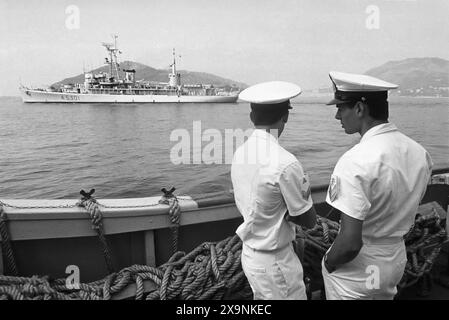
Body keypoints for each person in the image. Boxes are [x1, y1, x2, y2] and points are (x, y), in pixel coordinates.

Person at [321, 71, 433, 300]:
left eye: (341, 108)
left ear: (360, 109)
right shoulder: (419, 153)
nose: (337, 116)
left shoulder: (355, 160)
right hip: (395, 259)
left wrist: (328, 262)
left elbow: (351, 244)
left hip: (362, 267)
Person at [231, 81, 317, 300]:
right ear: (285, 117)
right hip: (276, 263)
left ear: (252, 116)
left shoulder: (240, 153)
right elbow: (309, 220)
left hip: (251, 257)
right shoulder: (286, 163)